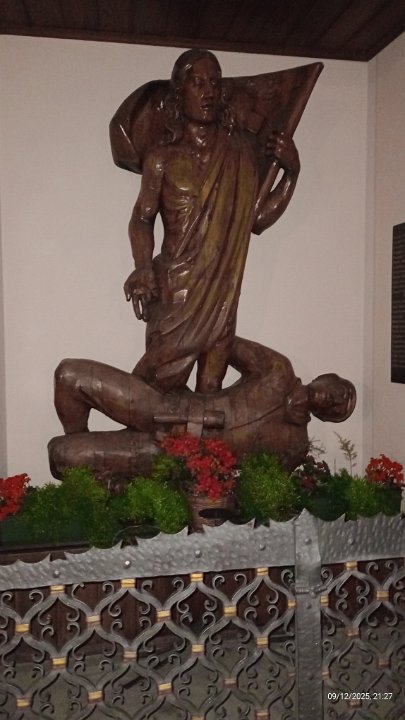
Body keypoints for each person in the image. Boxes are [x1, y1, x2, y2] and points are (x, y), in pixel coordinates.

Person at [123, 49, 300, 393]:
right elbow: (142, 219)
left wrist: (290, 174)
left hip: (222, 293)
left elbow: (257, 220)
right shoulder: (161, 159)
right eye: (198, 83)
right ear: (180, 92)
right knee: (157, 392)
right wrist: (142, 267)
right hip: (174, 293)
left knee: (210, 389)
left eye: (215, 84)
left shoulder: (240, 154)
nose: (208, 92)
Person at [48, 337, 356, 478]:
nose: (335, 401)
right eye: (340, 392)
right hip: (164, 403)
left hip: (173, 455)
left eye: (339, 408)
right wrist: (208, 384)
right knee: (68, 375)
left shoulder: (295, 445)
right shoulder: (278, 370)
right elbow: (221, 340)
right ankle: (81, 442)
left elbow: (256, 484)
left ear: (329, 418)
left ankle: (82, 468)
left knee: (63, 455)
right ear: (327, 378)